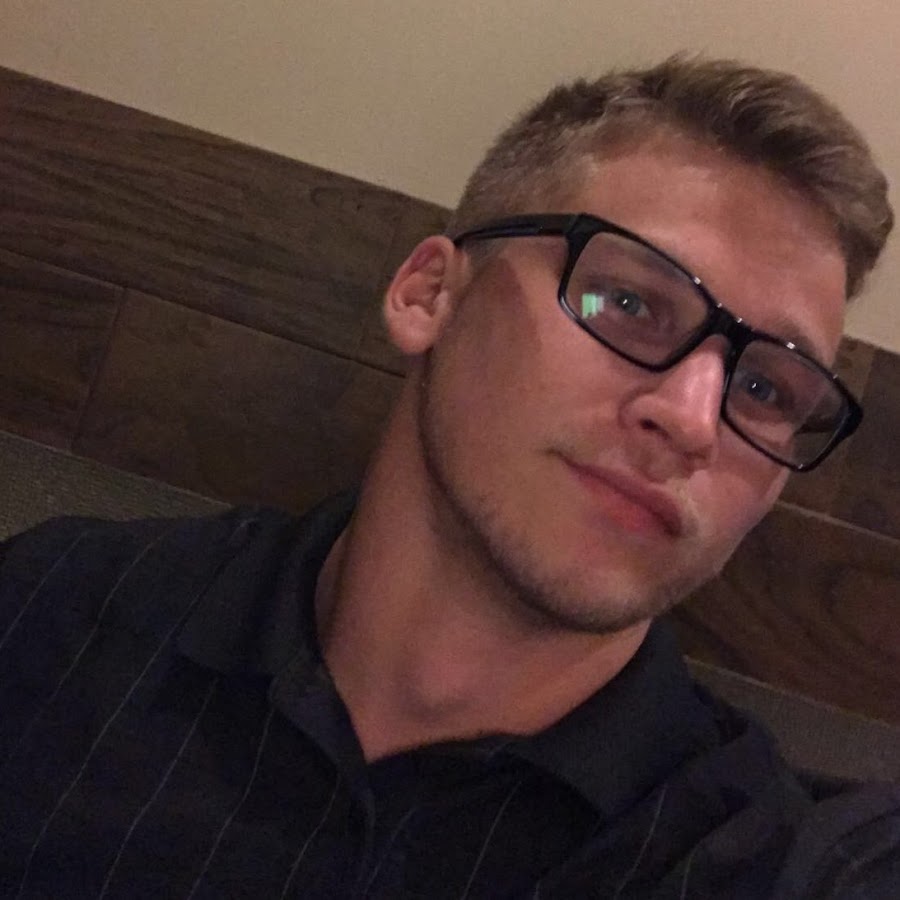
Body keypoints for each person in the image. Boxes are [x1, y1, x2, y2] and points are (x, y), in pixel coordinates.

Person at [1, 55, 897, 898]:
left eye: (766, 390)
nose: (694, 422)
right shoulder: (55, 612)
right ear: (432, 293)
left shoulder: (760, 862)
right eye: (628, 302)